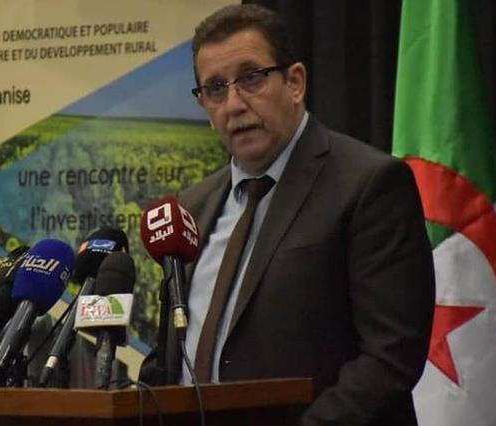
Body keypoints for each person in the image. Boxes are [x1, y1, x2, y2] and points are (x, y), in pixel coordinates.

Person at [140, 5, 435, 426]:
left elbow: (391, 356)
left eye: (251, 78)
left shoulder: (368, 184)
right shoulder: (191, 207)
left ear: (295, 82)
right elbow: (172, 354)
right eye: (216, 89)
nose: (234, 104)